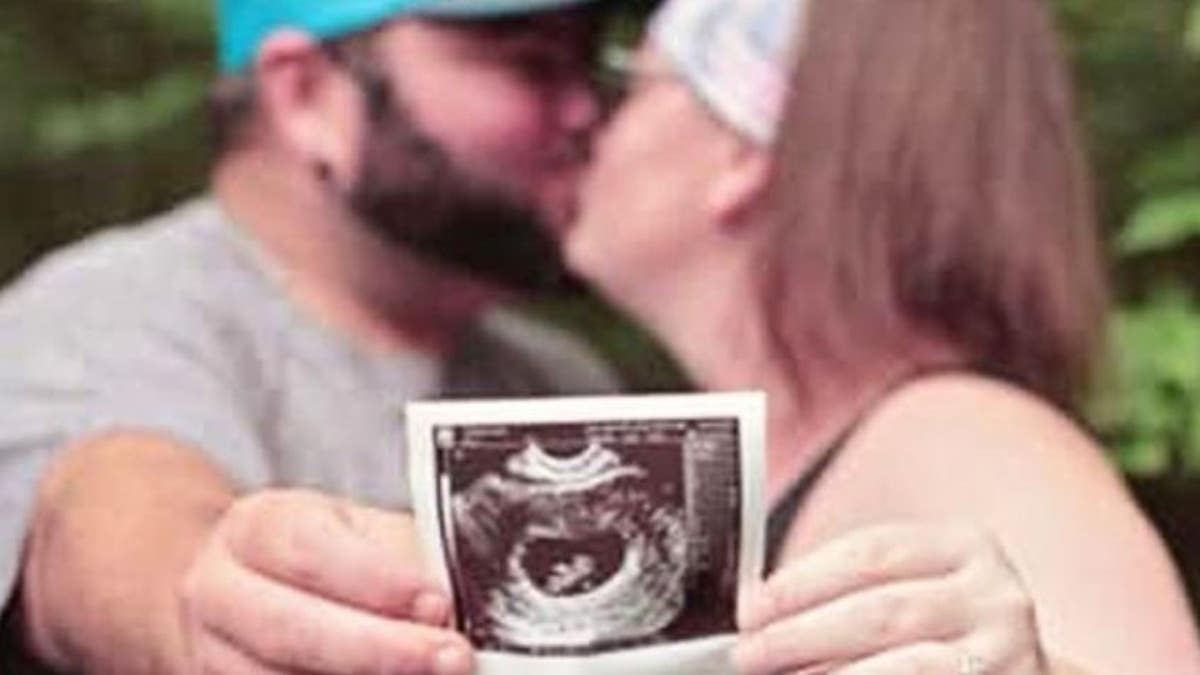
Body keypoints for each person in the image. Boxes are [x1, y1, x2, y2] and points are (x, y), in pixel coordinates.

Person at [565, 0, 1200, 672]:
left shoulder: (971, 441)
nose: (587, 125)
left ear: (742, 151)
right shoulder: (842, 456)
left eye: (631, 87)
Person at [0, 0, 621, 672]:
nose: (587, 111)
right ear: (305, 93)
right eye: (532, 62)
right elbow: (92, 513)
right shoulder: (100, 316)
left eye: (588, 65)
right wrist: (207, 605)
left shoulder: (560, 376)